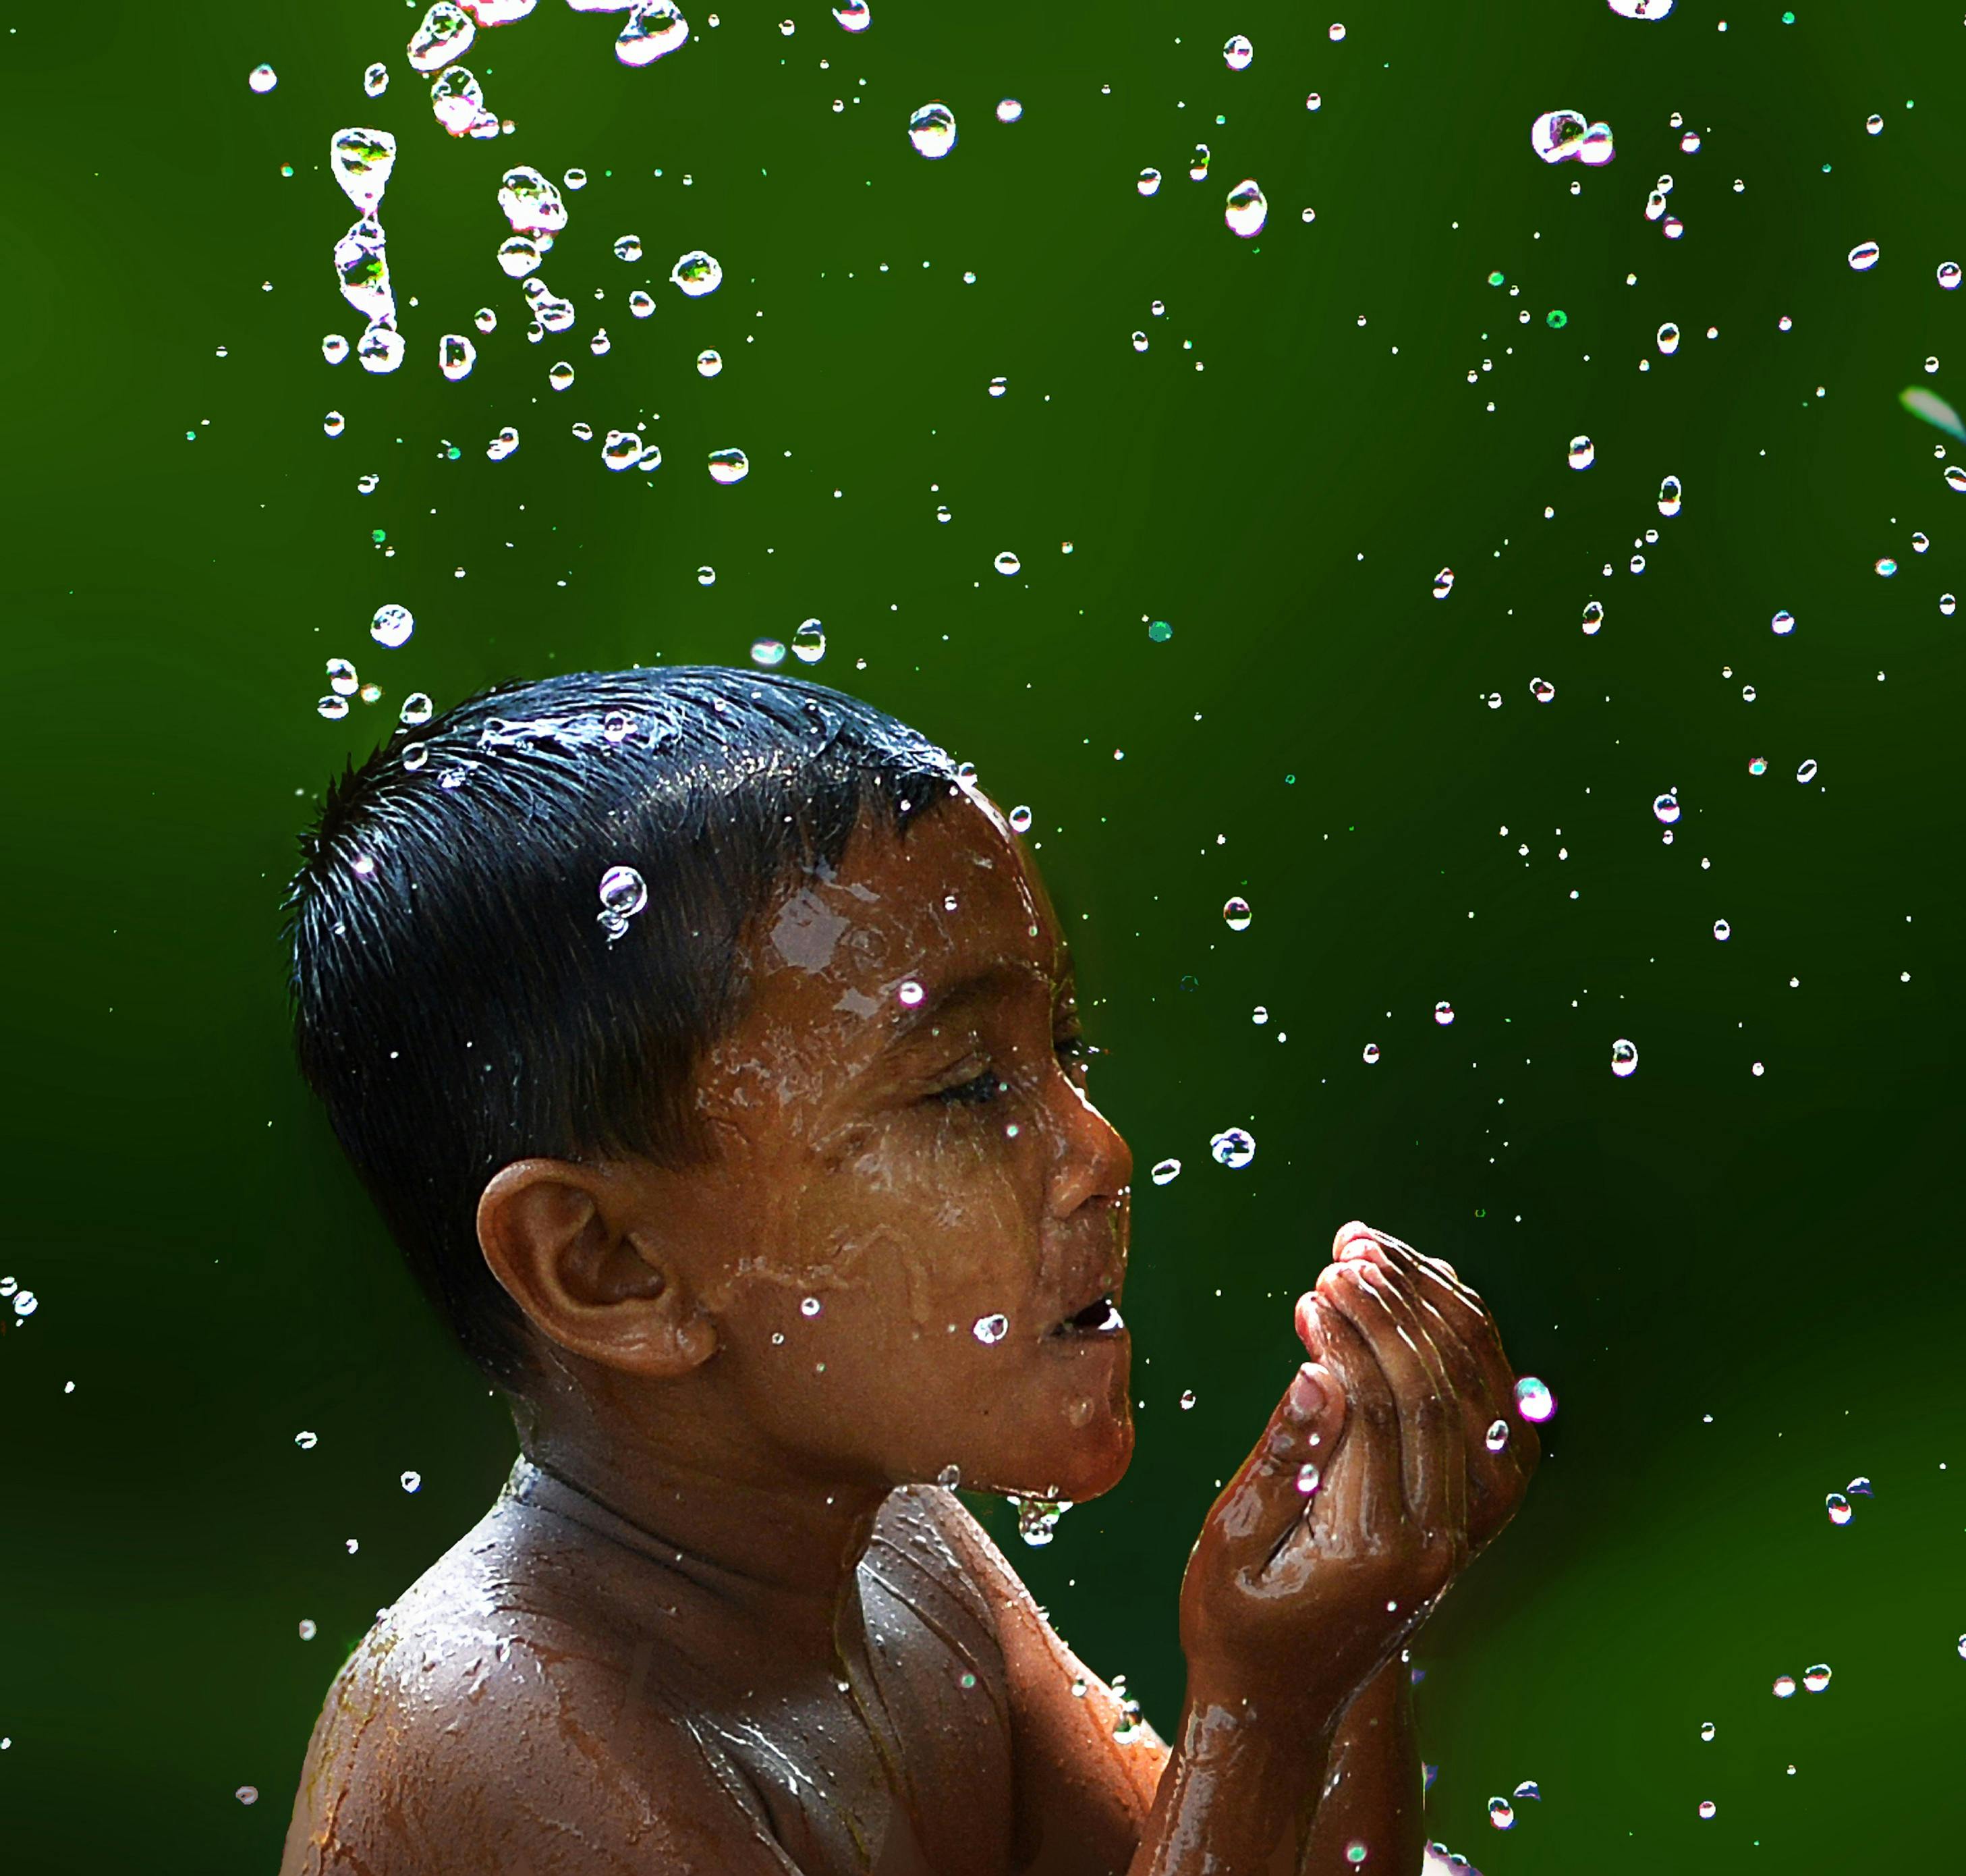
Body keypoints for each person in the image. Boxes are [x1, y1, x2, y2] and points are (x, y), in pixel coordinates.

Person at [277, 668, 1534, 1875]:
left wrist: (1352, 1646)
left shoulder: (899, 1564)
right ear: (612, 1266)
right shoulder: (499, 1739)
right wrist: (1261, 1717)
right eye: (966, 1086)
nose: (1100, 1153)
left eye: (1065, 1047)